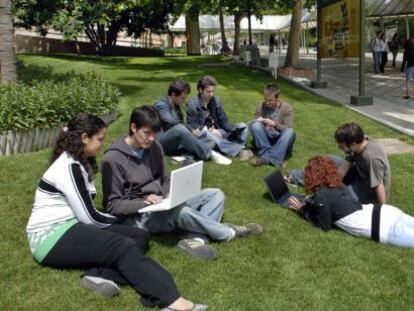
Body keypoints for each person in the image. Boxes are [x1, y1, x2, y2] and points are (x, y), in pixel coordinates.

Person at [26, 114, 207, 311]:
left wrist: (122, 223)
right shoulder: (69, 167)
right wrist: (119, 220)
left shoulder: (78, 161)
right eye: (100, 139)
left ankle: (99, 276)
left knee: (139, 236)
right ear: (85, 137)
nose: (102, 144)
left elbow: (88, 214)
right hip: (49, 237)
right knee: (124, 247)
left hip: (71, 225)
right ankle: (171, 302)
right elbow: (90, 217)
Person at [101, 106, 263, 261]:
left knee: (215, 194)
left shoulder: (154, 147)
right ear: (134, 128)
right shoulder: (113, 159)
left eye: (154, 133)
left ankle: (195, 239)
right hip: (137, 216)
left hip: (160, 203)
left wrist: (169, 196)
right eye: (147, 133)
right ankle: (228, 232)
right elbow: (112, 205)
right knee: (182, 212)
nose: (151, 138)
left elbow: (165, 179)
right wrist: (142, 203)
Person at [288, 156, 414, 248]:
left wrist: (302, 209)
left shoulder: (320, 195)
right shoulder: (337, 184)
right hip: (386, 212)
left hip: (383, 227)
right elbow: (329, 205)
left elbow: (324, 225)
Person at [287, 123, 391, 205]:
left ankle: (313, 200)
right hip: (359, 176)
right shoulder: (360, 141)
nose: (339, 148)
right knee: (330, 160)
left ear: (353, 144)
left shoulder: (371, 158)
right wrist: (331, 182)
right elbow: (345, 166)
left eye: (341, 146)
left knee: (338, 197)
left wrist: (382, 210)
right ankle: (294, 177)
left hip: (369, 191)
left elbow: (379, 185)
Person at [154, 79, 231, 165]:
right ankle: (209, 154)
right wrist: (191, 130)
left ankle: (187, 155)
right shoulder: (162, 105)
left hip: (174, 141)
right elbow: (172, 122)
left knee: (207, 139)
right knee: (180, 129)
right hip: (161, 143)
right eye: (182, 98)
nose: (184, 100)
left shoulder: (176, 106)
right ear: (173, 95)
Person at [186, 75, 253, 160]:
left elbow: (224, 122)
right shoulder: (193, 105)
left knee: (243, 126)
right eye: (208, 91)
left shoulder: (216, 101)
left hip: (219, 132)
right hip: (204, 136)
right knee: (211, 136)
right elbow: (194, 127)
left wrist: (234, 129)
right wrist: (209, 129)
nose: (211, 94)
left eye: (213, 91)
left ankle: (229, 147)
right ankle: (239, 152)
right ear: (200, 90)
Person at [248, 84, 296, 167]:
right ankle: (274, 157)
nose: (267, 103)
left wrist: (274, 124)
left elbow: (287, 128)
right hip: (266, 138)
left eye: (270, 100)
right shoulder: (261, 106)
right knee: (255, 125)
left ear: (278, 99)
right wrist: (257, 121)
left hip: (280, 140)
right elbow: (251, 125)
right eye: (265, 100)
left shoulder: (287, 108)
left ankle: (265, 158)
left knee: (290, 132)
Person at [401, 34, 414, 99]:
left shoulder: (406, 50)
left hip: (410, 66)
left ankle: (407, 95)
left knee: (408, 81)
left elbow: (404, 60)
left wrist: (402, 68)